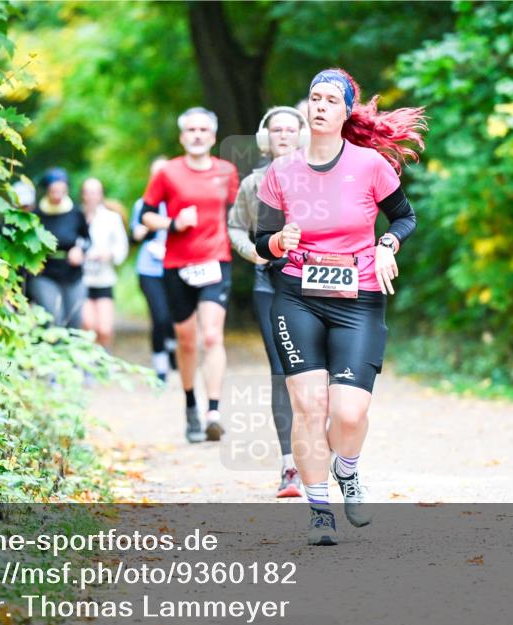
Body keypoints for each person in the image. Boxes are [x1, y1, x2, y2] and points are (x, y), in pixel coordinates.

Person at [254, 69, 426, 545]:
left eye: (331, 99)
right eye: (314, 97)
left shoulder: (370, 165)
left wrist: (388, 244)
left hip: (359, 298)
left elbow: (405, 217)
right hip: (297, 297)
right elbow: (261, 239)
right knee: (309, 406)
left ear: (347, 110)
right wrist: (277, 243)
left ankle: (347, 470)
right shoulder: (281, 171)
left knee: (348, 414)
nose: (321, 105)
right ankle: (319, 509)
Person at [141, 107, 239, 443]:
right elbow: (146, 216)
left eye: (203, 130)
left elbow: (238, 216)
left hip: (216, 261)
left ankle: (214, 411)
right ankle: (190, 406)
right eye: (191, 130)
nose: (197, 135)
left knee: (212, 336)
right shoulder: (168, 172)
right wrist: (172, 223)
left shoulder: (227, 172)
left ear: (212, 137)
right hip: (176, 264)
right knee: (186, 340)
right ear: (183, 137)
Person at [228, 106, 311, 498]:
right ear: (266, 137)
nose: (282, 136)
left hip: (315, 287)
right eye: (276, 130)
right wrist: (254, 253)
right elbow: (234, 227)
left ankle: (322, 457)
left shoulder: (320, 180)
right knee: (281, 369)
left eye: (290, 129)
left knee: (315, 373)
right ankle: (289, 466)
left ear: (302, 135)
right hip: (270, 286)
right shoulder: (254, 183)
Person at [132, 158, 177, 383]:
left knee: (174, 316)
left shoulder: (178, 202)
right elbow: (135, 234)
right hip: (149, 269)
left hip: (174, 266)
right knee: (159, 317)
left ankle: (172, 350)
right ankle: (160, 365)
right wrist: (145, 227)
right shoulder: (143, 204)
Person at [27, 168, 89, 328]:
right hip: (45, 272)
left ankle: (73, 352)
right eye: (54, 191)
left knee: (74, 319)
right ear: (47, 191)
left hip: (71, 272)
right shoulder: (37, 215)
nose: (57, 195)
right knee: (54, 317)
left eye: (61, 190)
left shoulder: (75, 213)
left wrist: (80, 250)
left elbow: (87, 239)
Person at [81, 177, 129, 350]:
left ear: (101, 195)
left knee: (105, 328)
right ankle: (88, 366)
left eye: (95, 192)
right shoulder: (77, 217)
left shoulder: (112, 218)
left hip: (104, 278)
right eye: (88, 192)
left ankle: (104, 360)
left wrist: (108, 254)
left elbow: (122, 247)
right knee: (88, 325)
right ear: (83, 195)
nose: (92, 196)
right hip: (82, 278)